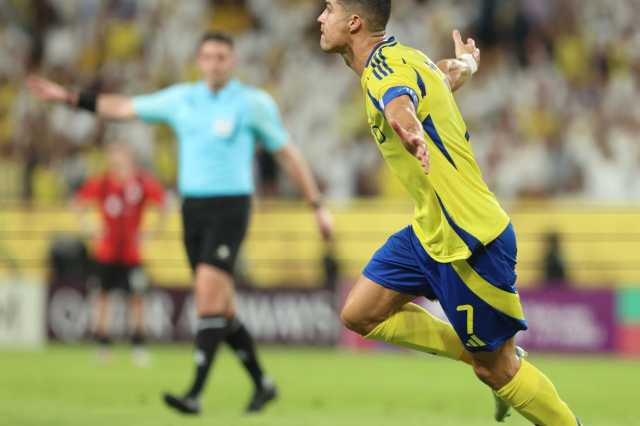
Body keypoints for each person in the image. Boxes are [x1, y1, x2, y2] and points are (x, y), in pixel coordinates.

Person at [28, 31, 333, 415]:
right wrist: (69, 98)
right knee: (220, 309)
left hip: (231, 208)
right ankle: (262, 384)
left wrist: (317, 204)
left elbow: (289, 154)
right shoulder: (181, 99)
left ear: (233, 61)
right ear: (199, 61)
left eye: (222, 56)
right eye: (208, 56)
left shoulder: (252, 104)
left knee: (207, 294)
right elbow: (123, 107)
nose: (215, 63)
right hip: (193, 210)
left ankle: (195, 393)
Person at [317, 1, 581, 425]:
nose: (319, 18)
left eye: (328, 9)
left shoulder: (386, 73)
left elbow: (399, 102)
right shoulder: (407, 57)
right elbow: (440, 78)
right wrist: (467, 66)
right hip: (430, 229)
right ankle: (482, 350)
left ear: (354, 22)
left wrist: (410, 130)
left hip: (470, 238)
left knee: (496, 370)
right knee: (359, 314)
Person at [74, 142, 167, 367]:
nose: (117, 160)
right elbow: (77, 203)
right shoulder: (103, 183)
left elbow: (165, 204)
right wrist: (89, 228)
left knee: (136, 299)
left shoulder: (142, 182)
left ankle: (138, 345)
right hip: (106, 252)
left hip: (132, 254)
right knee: (103, 298)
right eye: (114, 155)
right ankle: (103, 345)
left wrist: (151, 233)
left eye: (120, 155)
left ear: (129, 158)